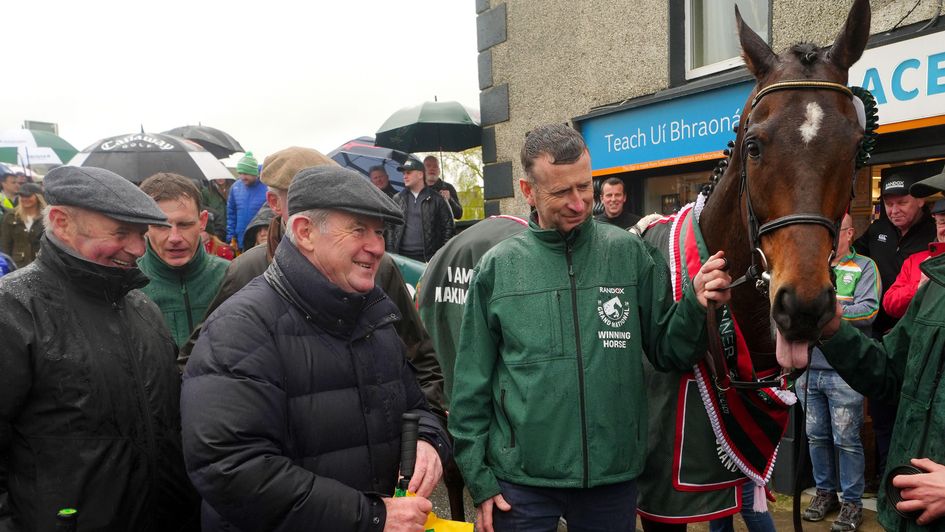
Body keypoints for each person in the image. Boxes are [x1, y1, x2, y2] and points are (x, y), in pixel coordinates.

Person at [448, 124, 732, 532]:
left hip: (611, 479)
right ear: (528, 191)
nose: (579, 203)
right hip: (520, 484)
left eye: (585, 187)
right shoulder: (498, 268)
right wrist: (479, 478)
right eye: (561, 192)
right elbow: (470, 386)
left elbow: (669, 349)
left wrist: (695, 305)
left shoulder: (627, 253)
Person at [181, 165, 451, 531]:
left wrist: (429, 441)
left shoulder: (373, 316)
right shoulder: (240, 328)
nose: (376, 247)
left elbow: (418, 407)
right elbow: (232, 469)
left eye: (379, 232)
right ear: (305, 232)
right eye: (358, 230)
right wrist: (371, 516)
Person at [0, 166, 199, 531]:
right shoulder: (12, 310)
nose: (138, 250)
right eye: (121, 233)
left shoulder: (143, 309)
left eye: (140, 234)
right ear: (61, 222)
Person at [180, 147, 446, 415]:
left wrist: (426, 433)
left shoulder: (378, 267)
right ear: (274, 203)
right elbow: (199, 365)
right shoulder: (247, 270)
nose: (322, 209)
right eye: (303, 199)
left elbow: (421, 361)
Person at [818, 172, 945, 531]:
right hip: (904, 515)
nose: (942, 217)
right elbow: (889, 371)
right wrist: (832, 329)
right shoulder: (935, 287)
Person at [853, 160, 940, 487]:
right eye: (888, 204)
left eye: (902, 202)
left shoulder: (934, 232)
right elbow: (848, 256)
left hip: (923, 340)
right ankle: (888, 480)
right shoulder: (877, 231)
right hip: (881, 338)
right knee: (884, 416)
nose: (894, 210)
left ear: (921, 201)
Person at [794, 214, 879, 531]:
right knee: (816, 437)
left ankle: (853, 502)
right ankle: (825, 494)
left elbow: (869, 309)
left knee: (846, 439)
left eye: (835, 230)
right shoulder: (811, 266)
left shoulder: (865, 267)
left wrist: (830, 312)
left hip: (845, 370)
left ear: (850, 233)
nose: (828, 237)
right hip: (809, 368)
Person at [137, 173, 229, 347]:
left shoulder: (230, 277)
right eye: (161, 226)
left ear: (202, 221)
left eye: (184, 224)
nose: (174, 238)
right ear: (144, 225)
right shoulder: (128, 287)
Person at [883, 199, 945, 319]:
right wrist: (918, 287)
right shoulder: (915, 261)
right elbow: (890, 305)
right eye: (942, 222)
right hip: (919, 335)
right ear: (936, 224)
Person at [386, 158, 454, 262]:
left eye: (408, 172)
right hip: (401, 259)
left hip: (429, 260)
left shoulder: (437, 199)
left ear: (420, 174)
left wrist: (441, 256)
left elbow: (449, 228)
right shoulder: (397, 198)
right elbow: (390, 227)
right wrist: (392, 253)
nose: (404, 176)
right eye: (403, 173)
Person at [226, 151, 268, 250]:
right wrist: (231, 237)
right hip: (240, 240)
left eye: (246, 173)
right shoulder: (235, 187)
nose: (242, 177)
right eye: (240, 173)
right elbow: (231, 214)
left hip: (261, 241)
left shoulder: (267, 188)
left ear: (254, 172)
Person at [0, 182, 44, 267]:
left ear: (38, 196)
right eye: (21, 196)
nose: (24, 199)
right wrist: (6, 265)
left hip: (42, 265)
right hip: (17, 266)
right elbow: (5, 244)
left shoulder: (47, 216)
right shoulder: (11, 216)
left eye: (28, 196)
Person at [202, 175, 233, 240]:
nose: (220, 178)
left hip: (231, 230)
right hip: (217, 232)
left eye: (222, 175)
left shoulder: (233, 189)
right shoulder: (206, 192)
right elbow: (204, 212)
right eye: (216, 176)